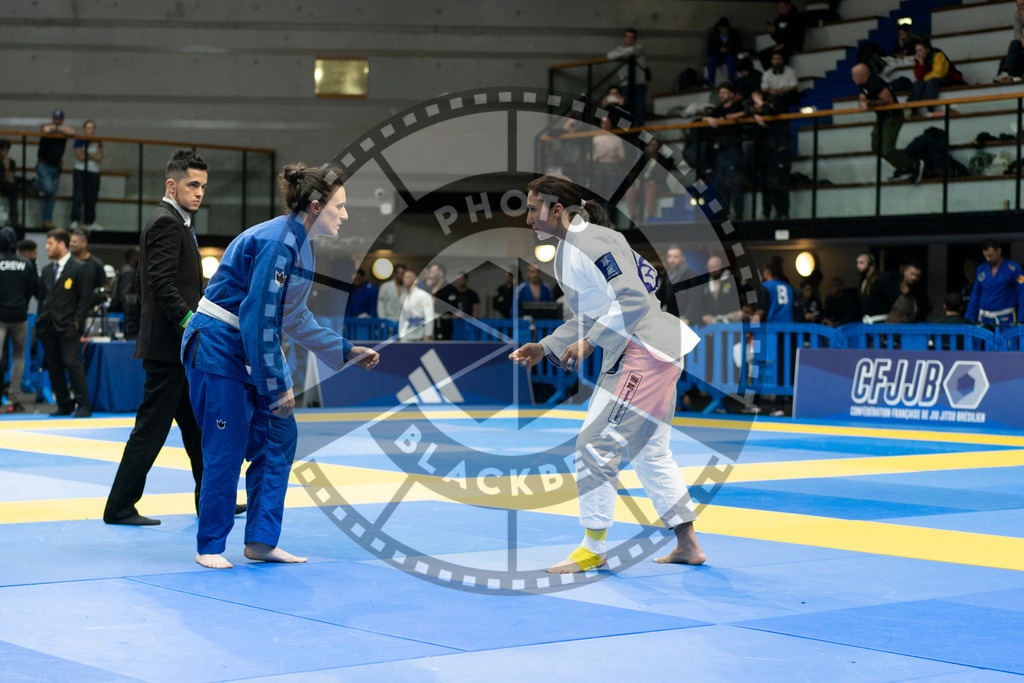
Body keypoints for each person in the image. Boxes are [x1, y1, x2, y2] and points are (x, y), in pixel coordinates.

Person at [182, 162, 379, 569]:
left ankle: (261, 540)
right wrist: (277, 383)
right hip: (218, 346)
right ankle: (210, 545)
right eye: (339, 206)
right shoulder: (277, 242)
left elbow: (294, 316)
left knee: (280, 435)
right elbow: (258, 317)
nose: (345, 215)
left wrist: (344, 350)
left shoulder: (301, 244)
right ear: (315, 206)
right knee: (227, 444)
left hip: (246, 345)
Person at [508, 174, 704, 573]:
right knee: (650, 451)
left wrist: (590, 342)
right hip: (650, 350)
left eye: (532, 209)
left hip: (645, 349)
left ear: (557, 210)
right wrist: (546, 346)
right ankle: (688, 544)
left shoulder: (592, 241)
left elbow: (632, 300)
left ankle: (591, 548)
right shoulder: (571, 249)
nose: (527, 219)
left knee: (595, 444)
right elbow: (590, 314)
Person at [103, 150, 213, 526]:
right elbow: (160, 284)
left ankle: (212, 500)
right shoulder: (166, 222)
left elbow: (148, 284)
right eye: (192, 185)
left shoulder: (176, 221)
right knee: (151, 431)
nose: (199, 192)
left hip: (176, 347)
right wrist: (191, 323)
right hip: (170, 349)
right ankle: (119, 507)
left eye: (203, 186)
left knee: (198, 430)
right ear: (171, 185)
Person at [37, 228, 93, 417]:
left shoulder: (79, 267)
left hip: (69, 325)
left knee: (71, 364)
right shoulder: (47, 271)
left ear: (62, 244)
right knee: (54, 366)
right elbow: (42, 298)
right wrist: (41, 319)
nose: (46, 247)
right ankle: (63, 405)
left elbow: (85, 297)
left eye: (50, 243)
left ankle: (84, 405)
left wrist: (78, 321)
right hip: (48, 325)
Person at [851, 63, 923, 183]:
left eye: (854, 75)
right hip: (882, 117)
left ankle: (913, 165)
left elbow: (888, 100)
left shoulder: (874, 82)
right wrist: (862, 101)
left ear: (861, 75)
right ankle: (903, 167)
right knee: (876, 146)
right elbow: (862, 95)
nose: (853, 78)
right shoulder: (863, 84)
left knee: (887, 150)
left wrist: (869, 104)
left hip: (892, 116)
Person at [0, 226, 37, 412]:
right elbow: (33, 290)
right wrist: (21, 304)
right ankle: (12, 400)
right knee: (19, 356)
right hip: (20, 315)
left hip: (0, 316)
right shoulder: (26, 264)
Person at [703, 83, 747, 219]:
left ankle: (738, 214)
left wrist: (728, 117)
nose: (721, 95)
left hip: (734, 147)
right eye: (720, 93)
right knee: (721, 182)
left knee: (735, 182)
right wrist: (709, 118)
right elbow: (703, 117)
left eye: (725, 92)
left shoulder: (738, 106)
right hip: (722, 149)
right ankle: (723, 215)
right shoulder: (719, 109)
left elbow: (746, 112)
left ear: (732, 94)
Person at [749, 90, 791, 220]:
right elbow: (747, 110)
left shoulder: (780, 112)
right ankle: (766, 212)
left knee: (780, 184)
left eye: (760, 104)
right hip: (765, 156)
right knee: (766, 185)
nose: (758, 106)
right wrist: (755, 114)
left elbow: (773, 113)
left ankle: (782, 213)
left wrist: (761, 103)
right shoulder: (760, 117)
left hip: (780, 154)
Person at [965, 239, 1024, 328]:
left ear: (999, 251)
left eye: (990, 255)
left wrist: (1022, 319)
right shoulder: (981, 269)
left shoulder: (1013, 269)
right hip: (985, 318)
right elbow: (975, 296)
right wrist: (969, 319)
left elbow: (1022, 294)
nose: (988, 259)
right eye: (985, 256)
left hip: (1006, 317)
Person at [36, 110, 75, 229]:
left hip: (56, 167)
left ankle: (47, 220)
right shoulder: (47, 127)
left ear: (62, 120)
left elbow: (72, 132)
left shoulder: (63, 131)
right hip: (44, 165)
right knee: (49, 189)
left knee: (51, 195)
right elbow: (46, 130)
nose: (56, 121)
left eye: (59, 119)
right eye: (55, 119)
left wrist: (58, 129)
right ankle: (35, 184)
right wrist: (57, 129)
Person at [908, 39, 964, 117]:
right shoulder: (920, 58)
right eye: (916, 51)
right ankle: (913, 109)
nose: (918, 53)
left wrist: (925, 78)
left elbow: (939, 73)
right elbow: (919, 76)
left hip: (948, 78)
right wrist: (921, 63)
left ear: (927, 50)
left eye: (920, 50)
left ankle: (929, 108)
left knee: (932, 82)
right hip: (930, 79)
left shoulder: (937, 54)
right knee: (918, 83)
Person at [607, 28, 648, 126]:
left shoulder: (640, 47)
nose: (628, 39)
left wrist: (620, 56)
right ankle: (628, 130)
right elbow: (609, 56)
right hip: (625, 83)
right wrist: (625, 54)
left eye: (631, 37)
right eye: (627, 37)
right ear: (624, 38)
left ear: (635, 39)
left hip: (639, 83)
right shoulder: (620, 49)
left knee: (639, 109)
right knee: (625, 108)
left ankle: (639, 131)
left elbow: (633, 50)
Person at [70, 119, 103, 228]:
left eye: (92, 128)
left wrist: (86, 154)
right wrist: (92, 155)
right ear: (84, 129)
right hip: (80, 170)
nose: (90, 130)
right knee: (78, 196)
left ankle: (90, 221)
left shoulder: (97, 141)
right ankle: (75, 220)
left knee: (92, 197)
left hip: (94, 171)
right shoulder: (80, 140)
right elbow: (80, 156)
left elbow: (99, 157)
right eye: (88, 128)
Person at [655, 245, 697, 324]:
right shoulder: (666, 276)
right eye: (669, 257)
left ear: (683, 258)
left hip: (686, 320)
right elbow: (660, 296)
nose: (672, 260)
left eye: (675, 257)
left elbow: (694, 301)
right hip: (670, 319)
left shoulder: (691, 276)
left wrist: (688, 318)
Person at [760, 0, 804, 70]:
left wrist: (784, 45)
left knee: (780, 53)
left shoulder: (797, 18)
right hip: (780, 44)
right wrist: (773, 33)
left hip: (793, 45)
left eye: (782, 8)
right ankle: (770, 72)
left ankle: (782, 71)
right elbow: (778, 38)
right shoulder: (778, 20)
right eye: (779, 8)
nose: (780, 10)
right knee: (763, 54)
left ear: (789, 6)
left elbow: (797, 36)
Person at [857, 252, 899, 323]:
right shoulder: (863, 280)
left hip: (881, 319)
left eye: (861, 263)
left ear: (870, 264)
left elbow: (894, 298)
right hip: (867, 319)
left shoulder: (882, 278)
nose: (858, 266)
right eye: (857, 263)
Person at [108, 246, 141, 339]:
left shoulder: (130, 269)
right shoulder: (128, 271)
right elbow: (125, 295)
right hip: (128, 316)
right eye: (140, 255)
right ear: (135, 257)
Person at [698, 255, 742, 325]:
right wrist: (703, 315)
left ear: (721, 266)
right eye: (710, 268)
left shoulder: (733, 279)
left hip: (732, 321)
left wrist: (742, 311)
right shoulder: (705, 284)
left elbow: (749, 292)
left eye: (715, 267)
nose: (713, 270)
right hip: (713, 322)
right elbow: (700, 303)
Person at [69, 227, 106, 309]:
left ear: (84, 243)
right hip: (69, 309)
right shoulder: (67, 263)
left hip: (90, 309)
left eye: (74, 242)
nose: (71, 244)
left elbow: (103, 286)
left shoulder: (96, 264)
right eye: (70, 241)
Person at [398, 269, 435, 340]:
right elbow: (402, 317)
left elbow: (429, 316)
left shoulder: (424, 295)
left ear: (415, 280)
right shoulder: (403, 297)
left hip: (421, 331)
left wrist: (428, 334)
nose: (404, 279)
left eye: (408, 277)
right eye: (404, 277)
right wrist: (400, 332)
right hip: (406, 330)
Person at [706, 17, 743, 87]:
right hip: (718, 54)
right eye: (722, 29)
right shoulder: (714, 35)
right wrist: (719, 50)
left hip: (730, 53)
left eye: (725, 29)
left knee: (731, 59)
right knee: (712, 61)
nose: (724, 30)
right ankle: (710, 81)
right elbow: (710, 49)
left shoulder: (734, 33)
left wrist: (729, 49)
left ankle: (731, 79)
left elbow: (739, 46)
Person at [995, 0, 1024, 82]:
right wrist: (1022, 39)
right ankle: (1005, 73)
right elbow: (1017, 32)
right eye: (1018, 5)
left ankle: (1008, 74)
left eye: (1023, 4)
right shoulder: (1018, 14)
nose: (1021, 7)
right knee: (1014, 44)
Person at [0, 139, 23, 229]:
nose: (5, 152)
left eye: (7, 150)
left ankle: (13, 218)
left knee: (14, 189)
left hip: (6, 184)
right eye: (3, 150)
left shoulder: (11, 162)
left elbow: (10, 178)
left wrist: (6, 167)